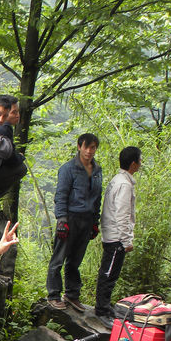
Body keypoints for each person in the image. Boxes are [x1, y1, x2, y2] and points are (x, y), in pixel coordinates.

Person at [47, 133, 103, 311]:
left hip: (86, 220)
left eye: (92, 147)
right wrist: (62, 220)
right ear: (79, 147)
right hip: (70, 217)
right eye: (86, 147)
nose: (89, 151)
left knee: (75, 260)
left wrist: (95, 221)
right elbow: (61, 195)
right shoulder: (68, 169)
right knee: (59, 259)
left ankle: (71, 295)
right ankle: (53, 295)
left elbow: (97, 198)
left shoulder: (97, 170)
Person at [94, 146, 141, 321]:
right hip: (116, 238)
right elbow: (122, 214)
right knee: (109, 273)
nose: (140, 164)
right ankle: (102, 310)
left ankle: (105, 307)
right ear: (134, 163)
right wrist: (126, 240)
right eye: (139, 160)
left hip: (112, 235)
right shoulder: (124, 184)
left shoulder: (118, 179)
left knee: (109, 272)